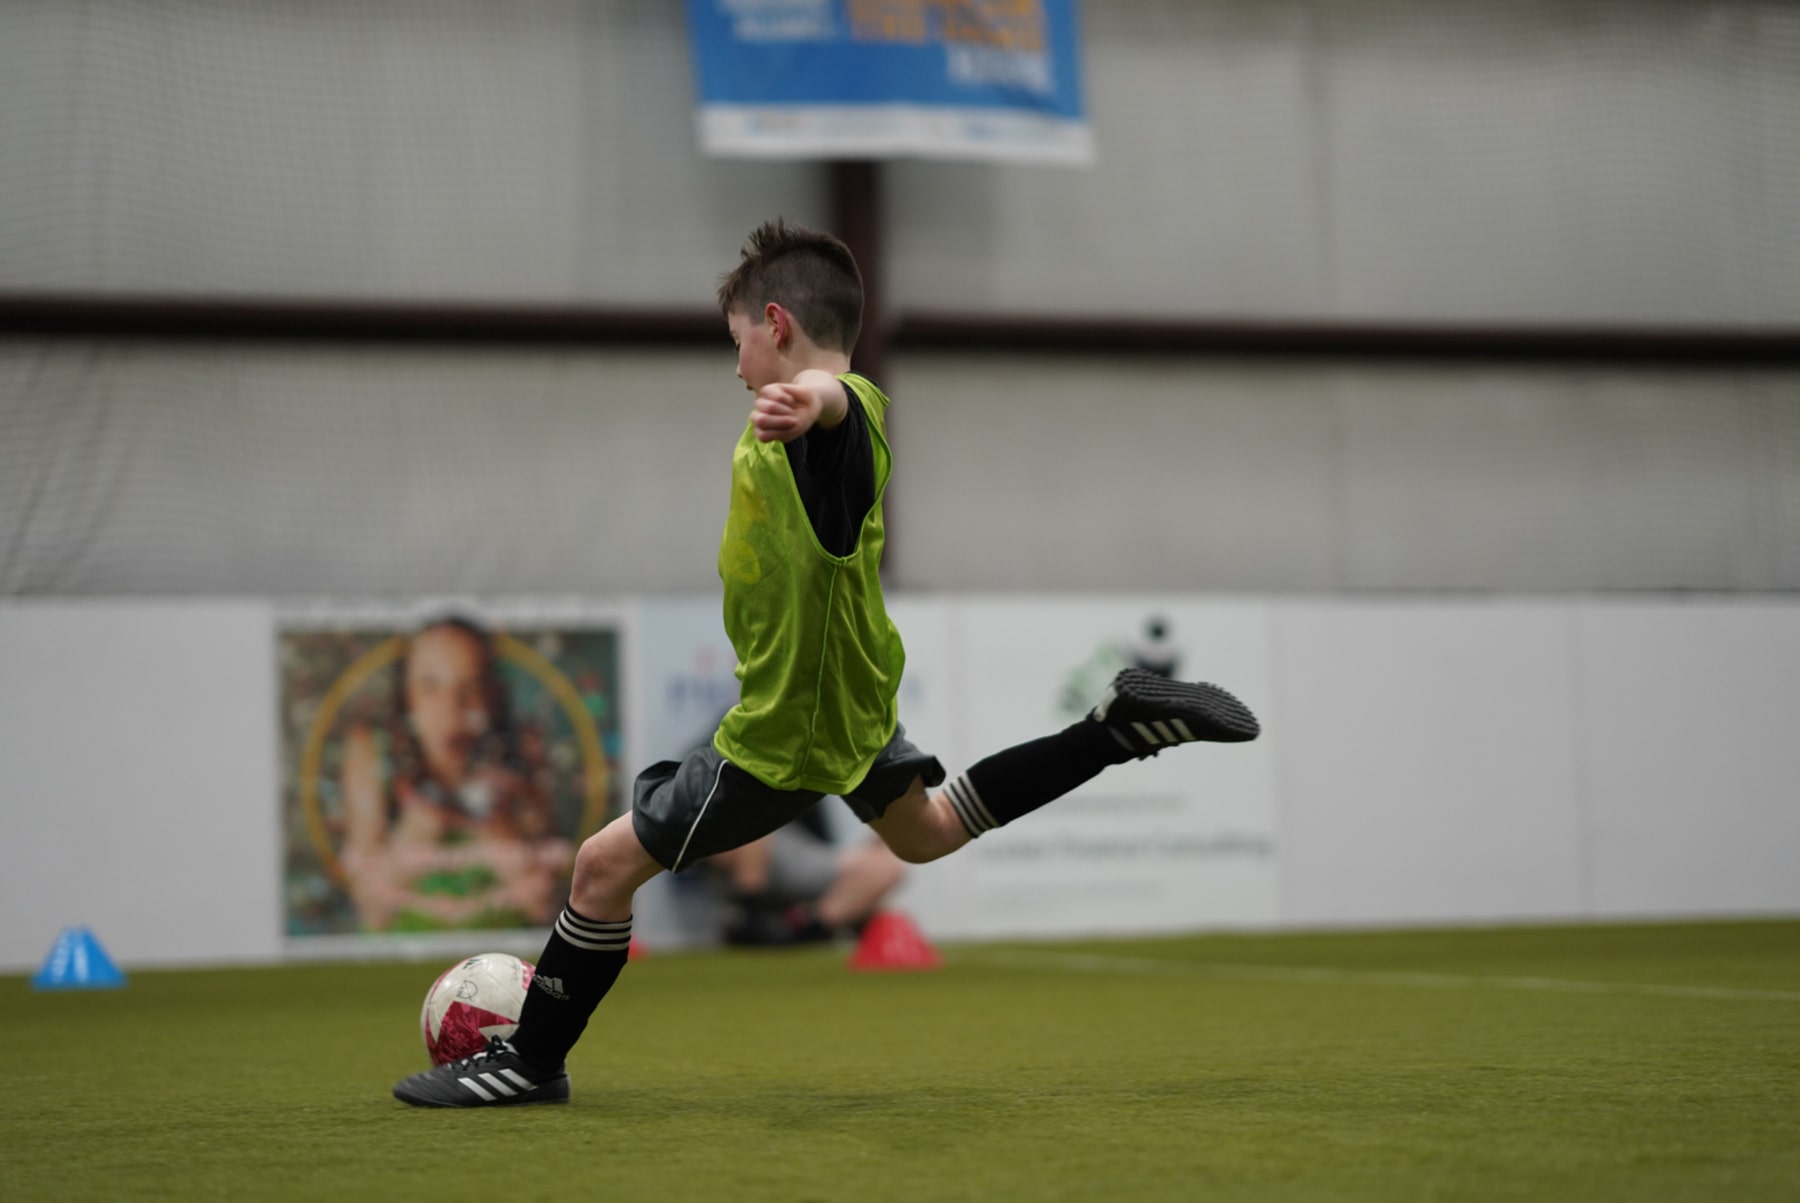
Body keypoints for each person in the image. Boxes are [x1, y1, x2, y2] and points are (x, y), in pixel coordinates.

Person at [393, 220, 1259, 1107]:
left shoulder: (829, 416)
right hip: (846, 706)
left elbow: (838, 408)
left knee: (601, 868)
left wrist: (815, 401)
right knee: (925, 832)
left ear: (775, 323)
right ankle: (1116, 731)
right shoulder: (810, 420)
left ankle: (529, 1063)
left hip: (790, 733)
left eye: (738, 344)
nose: (735, 368)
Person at [340, 617, 572, 931]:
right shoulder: (372, 753)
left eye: (470, 686)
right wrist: (422, 823)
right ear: (405, 696)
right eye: (430, 687)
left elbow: (545, 906)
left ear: (492, 697)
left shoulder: (520, 754)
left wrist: (493, 821)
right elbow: (371, 913)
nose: (452, 708)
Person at [705, 804, 907, 946]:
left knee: (888, 862)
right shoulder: (721, 756)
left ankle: (808, 929)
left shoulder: (814, 763)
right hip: (753, 852)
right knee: (747, 823)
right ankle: (748, 919)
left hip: (806, 857)